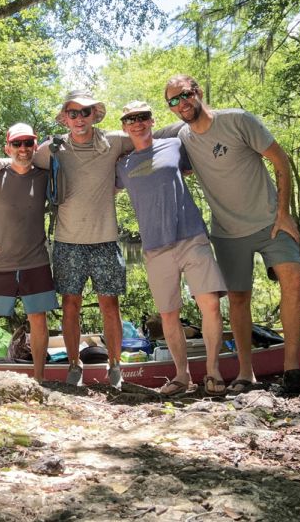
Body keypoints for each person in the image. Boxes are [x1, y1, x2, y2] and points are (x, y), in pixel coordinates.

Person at [0, 91, 178, 388]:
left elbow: (149, 134)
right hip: (67, 242)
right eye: (73, 113)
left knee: (110, 305)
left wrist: (194, 125)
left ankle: (114, 365)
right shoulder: (54, 148)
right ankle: (74, 365)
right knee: (70, 304)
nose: (79, 118)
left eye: (85, 112)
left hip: (106, 241)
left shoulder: (114, 141)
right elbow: (20, 156)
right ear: (65, 118)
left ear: (94, 115)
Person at [164, 74, 300, 394]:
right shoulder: (182, 137)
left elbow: (281, 161)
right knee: (239, 299)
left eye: (185, 95)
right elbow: (140, 137)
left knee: (294, 280)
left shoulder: (238, 120)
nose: (182, 103)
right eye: (173, 100)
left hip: (271, 221)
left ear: (198, 92)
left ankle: (292, 369)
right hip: (228, 233)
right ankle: (247, 373)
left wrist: (284, 212)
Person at [115, 101, 227, 397]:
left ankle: (213, 371)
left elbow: (202, 144)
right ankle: (182, 375)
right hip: (155, 248)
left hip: (191, 236)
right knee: (168, 314)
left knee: (211, 305)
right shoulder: (121, 165)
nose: (137, 123)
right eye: (130, 119)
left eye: (142, 117)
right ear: (124, 126)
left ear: (152, 121)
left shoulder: (174, 146)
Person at [0, 123, 59, 382]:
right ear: (8, 148)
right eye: (17, 144)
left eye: (28, 143)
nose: (23, 149)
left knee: (38, 319)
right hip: (0, 263)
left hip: (36, 262)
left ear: (35, 146)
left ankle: (40, 379)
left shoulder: (44, 176)